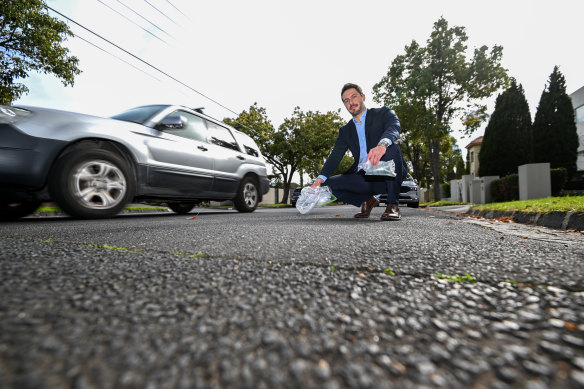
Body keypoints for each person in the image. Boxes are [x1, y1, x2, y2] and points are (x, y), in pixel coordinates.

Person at [311, 83, 406, 220]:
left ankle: (392, 205)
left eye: (354, 97)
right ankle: (367, 199)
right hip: (364, 178)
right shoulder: (345, 131)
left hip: (389, 173)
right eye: (346, 101)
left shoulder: (383, 113)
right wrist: (318, 181)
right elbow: (335, 157)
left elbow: (394, 127)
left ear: (363, 97)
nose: (351, 102)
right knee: (324, 186)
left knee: (391, 147)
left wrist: (382, 145)